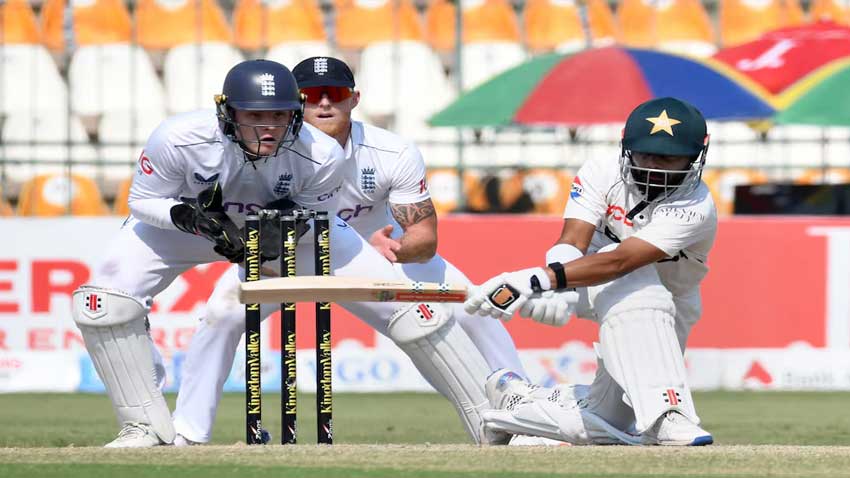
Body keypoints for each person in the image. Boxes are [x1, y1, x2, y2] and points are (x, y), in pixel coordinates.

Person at [169, 57, 525, 446]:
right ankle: (188, 433)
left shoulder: (392, 151)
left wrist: (399, 248)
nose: (324, 105)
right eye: (312, 96)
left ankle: (521, 416)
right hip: (286, 251)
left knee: (469, 304)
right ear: (293, 103)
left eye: (335, 94)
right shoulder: (259, 146)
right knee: (221, 315)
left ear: (354, 99)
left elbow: (425, 237)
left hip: (369, 255)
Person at [464, 97, 717, 446]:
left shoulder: (696, 206)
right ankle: (667, 414)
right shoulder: (602, 171)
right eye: (645, 154)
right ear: (627, 147)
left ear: (694, 158)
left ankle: (514, 410)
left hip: (669, 299)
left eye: (667, 158)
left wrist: (539, 279)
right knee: (636, 281)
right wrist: (557, 286)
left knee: (612, 417)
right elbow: (573, 239)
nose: (653, 168)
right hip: (588, 279)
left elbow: (623, 260)